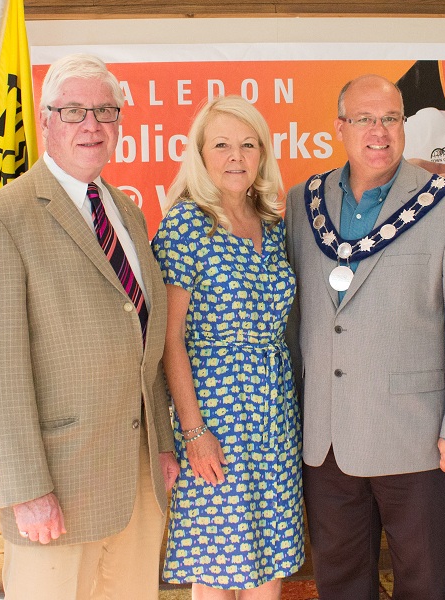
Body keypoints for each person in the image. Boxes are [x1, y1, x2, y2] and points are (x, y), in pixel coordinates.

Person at [0, 53, 179, 600]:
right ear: (47, 118)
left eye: (105, 111)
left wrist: (165, 445)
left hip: (137, 482)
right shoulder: (2, 218)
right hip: (57, 489)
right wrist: (27, 488)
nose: (91, 125)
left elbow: (141, 341)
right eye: (74, 110)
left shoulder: (127, 213)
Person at [285, 74, 445, 599]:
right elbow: (294, 324)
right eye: (364, 119)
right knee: (339, 580)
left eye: (391, 119)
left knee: (423, 582)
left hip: (417, 440)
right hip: (326, 442)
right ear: (340, 127)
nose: (379, 131)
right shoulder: (300, 202)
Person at [153, 96, 304, 599]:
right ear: (200, 153)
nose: (235, 156)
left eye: (247, 144)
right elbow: (170, 339)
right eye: (221, 145)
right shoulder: (186, 225)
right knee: (216, 563)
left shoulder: (275, 225)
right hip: (214, 413)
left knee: (269, 557)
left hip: (274, 413)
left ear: (262, 153)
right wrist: (193, 432)